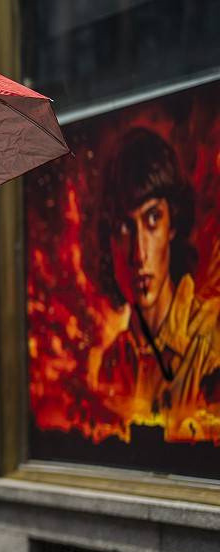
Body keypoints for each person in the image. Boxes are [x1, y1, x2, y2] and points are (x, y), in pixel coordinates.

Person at [91, 128, 220, 442]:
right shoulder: (113, 362)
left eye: (152, 220)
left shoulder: (211, 338)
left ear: (172, 224)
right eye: (124, 227)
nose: (139, 253)